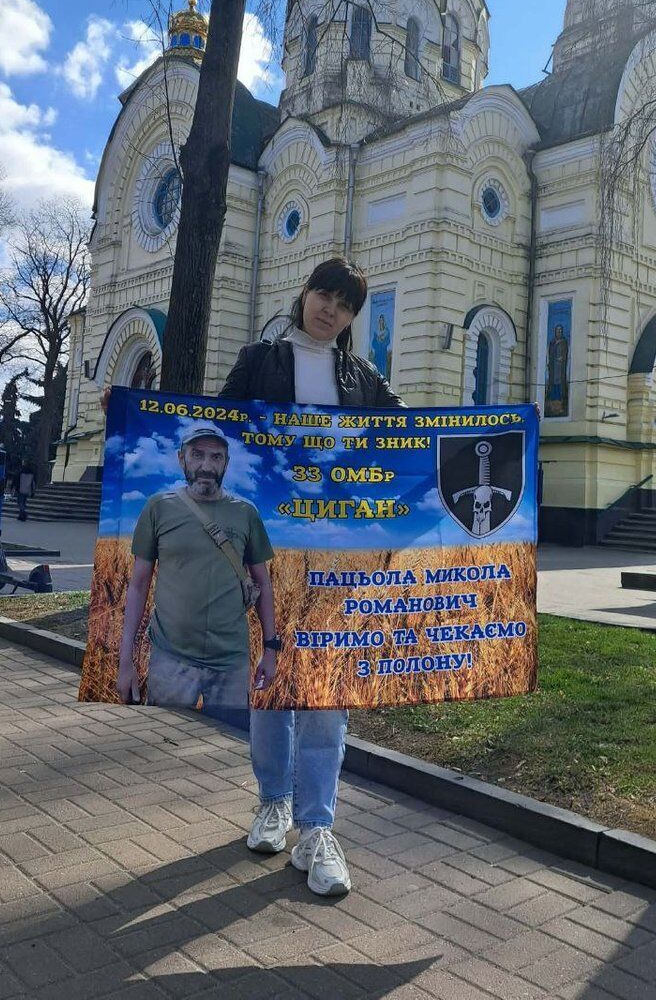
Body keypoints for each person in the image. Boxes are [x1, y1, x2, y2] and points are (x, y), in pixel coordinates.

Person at [220, 256, 403, 897]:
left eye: (345, 304)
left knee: (327, 687)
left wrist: (507, 431)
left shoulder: (363, 377)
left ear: (352, 318)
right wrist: (131, 410)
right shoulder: (258, 362)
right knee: (270, 677)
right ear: (304, 294)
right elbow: (209, 429)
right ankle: (273, 800)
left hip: (338, 555)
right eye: (325, 294)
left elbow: (415, 435)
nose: (332, 309)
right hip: (269, 550)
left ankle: (316, 827)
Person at [116, 425, 280, 726]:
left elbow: (263, 584)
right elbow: (138, 585)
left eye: (216, 457)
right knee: (162, 740)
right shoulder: (158, 508)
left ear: (226, 463)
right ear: (182, 459)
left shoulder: (246, 512)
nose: (206, 466)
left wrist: (270, 650)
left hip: (231, 661)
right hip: (170, 659)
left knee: (229, 744)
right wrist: (125, 659)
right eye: (197, 455)